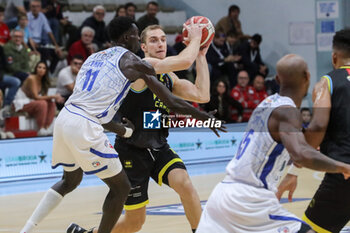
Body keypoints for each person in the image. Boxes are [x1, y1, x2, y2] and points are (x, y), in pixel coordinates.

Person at [20, 16, 219, 233]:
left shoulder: (166, 76)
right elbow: (175, 81)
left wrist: (201, 54)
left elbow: (202, 95)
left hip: (158, 146)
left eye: (163, 39)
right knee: (134, 223)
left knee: (186, 185)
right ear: (142, 46)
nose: (160, 44)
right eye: (153, 40)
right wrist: (196, 39)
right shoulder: (141, 66)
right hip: (132, 150)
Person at [197, 54, 350, 233]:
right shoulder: (288, 112)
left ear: (277, 79)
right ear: (308, 76)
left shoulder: (266, 104)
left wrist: (292, 172)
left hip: (221, 196)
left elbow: (297, 148)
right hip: (250, 200)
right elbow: (301, 152)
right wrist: (343, 167)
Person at [276, 29, 350, 233]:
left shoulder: (327, 83)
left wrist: (294, 168)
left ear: (334, 57)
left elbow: (317, 126)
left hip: (344, 173)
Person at [12, 61, 62, 136]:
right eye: (39, 67)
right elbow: (36, 97)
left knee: (51, 103)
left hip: (32, 103)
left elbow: (43, 97)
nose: (41, 69)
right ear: (36, 69)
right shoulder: (31, 78)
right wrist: (54, 96)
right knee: (42, 103)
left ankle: (46, 128)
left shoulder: (44, 81)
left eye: (44, 68)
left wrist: (53, 98)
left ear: (46, 71)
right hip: (21, 103)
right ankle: (41, 128)